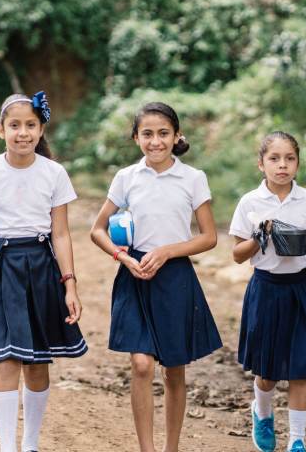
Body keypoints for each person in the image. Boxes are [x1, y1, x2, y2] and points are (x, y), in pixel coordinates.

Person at [90, 102, 223, 452]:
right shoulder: (126, 178)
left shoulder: (193, 178)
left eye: (163, 133)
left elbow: (208, 237)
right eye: (147, 134)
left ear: (176, 136)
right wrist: (123, 258)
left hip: (175, 276)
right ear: (136, 138)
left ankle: (171, 448)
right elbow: (98, 229)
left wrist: (166, 251)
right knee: (141, 364)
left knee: (175, 370)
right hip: (135, 275)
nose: (156, 141)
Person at [0, 91, 86, 452]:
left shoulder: (54, 173)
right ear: (0, 130)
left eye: (31, 125)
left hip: (41, 266)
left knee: (36, 362)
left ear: (41, 128)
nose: (23, 132)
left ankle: (30, 444)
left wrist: (70, 285)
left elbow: (60, 234)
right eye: (14, 125)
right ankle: (7, 447)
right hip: (0, 266)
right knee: (6, 358)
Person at [229, 131, 306, 452]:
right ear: (261, 164)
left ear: (298, 164)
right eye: (274, 159)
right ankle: (262, 414)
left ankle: (297, 440)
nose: (282, 165)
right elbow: (237, 254)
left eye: (289, 158)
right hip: (267, 289)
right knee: (268, 371)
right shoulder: (250, 202)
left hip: (302, 288)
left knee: (301, 369)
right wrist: (262, 234)